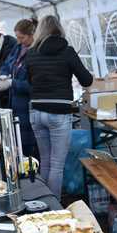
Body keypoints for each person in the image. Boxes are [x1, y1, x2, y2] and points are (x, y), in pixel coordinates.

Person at [26, 15, 93, 200]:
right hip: (59, 112)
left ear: (40, 31)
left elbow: (28, 80)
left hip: (37, 111)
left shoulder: (31, 53)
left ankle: (44, 203)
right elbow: (87, 80)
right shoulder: (67, 51)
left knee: (45, 161)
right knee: (56, 165)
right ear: (60, 30)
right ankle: (53, 207)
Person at [0, 18, 39, 158]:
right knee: (18, 141)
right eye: (17, 37)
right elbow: (6, 64)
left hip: (29, 107)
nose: (19, 40)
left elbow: (34, 86)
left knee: (30, 145)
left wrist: (12, 83)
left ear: (32, 35)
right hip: (15, 104)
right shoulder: (17, 48)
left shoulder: (37, 52)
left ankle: (33, 172)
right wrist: (3, 75)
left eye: (21, 37)